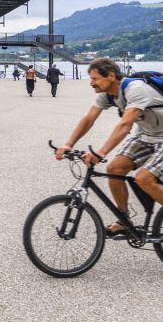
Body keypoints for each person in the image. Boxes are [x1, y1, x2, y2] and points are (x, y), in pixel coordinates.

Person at [56, 58, 163, 237]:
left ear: (111, 76)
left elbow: (125, 124)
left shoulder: (136, 90)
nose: (91, 83)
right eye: (91, 79)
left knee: (144, 178)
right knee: (114, 168)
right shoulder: (107, 95)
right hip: (147, 136)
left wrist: (101, 152)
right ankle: (124, 220)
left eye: (95, 78)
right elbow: (88, 119)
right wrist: (69, 144)